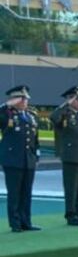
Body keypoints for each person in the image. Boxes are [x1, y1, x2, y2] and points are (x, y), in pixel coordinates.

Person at [50, 86, 78, 226]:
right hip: (71, 156)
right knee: (72, 188)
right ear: (70, 100)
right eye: (76, 99)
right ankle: (71, 215)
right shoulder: (64, 113)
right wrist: (66, 104)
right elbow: (53, 118)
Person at [1, 85, 40, 232]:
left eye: (26, 98)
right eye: (21, 98)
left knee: (26, 193)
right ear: (13, 100)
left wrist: (36, 154)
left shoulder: (30, 115)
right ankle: (15, 224)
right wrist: (6, 105)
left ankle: (26, 222)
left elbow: (35, 138)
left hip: (28, 160)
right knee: (14, 193)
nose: (25, 101)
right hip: (12, 159)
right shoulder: (6, 114)